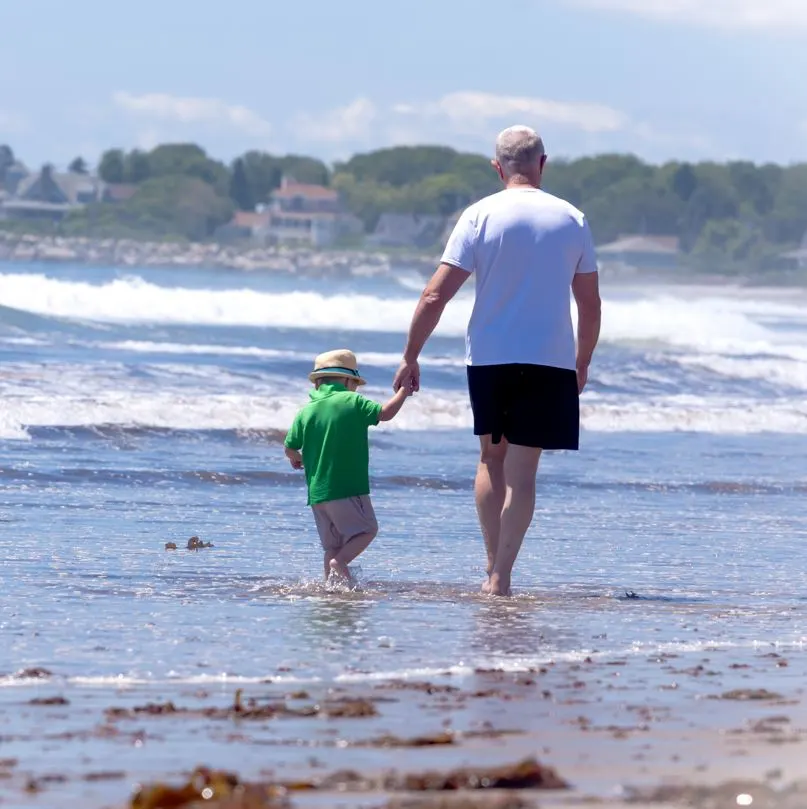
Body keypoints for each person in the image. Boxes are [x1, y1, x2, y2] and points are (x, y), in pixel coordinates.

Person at [393, 125, 602, 597]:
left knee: (492, 459)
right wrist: (581, 361)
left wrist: (411, 356)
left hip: (491, 358)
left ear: (497, 167)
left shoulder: (479, 215)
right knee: (524, 472)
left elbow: (434, 294)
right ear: (542, 163)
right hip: (550, 360)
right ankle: (503, 575)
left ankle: (491, 568)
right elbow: (590, 303)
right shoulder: (572, 218)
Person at [285, 349, 412, 584]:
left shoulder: (305, 411)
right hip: (347, 487)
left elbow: (290, 447)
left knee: (332, 546)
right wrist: (404, 391)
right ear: (347, 381)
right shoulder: (352, 401)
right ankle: (340, 564)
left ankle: (331, 590)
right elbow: (385, 413)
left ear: (317, 384)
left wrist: (298, 459)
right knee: (366, 531)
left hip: (317, 494)